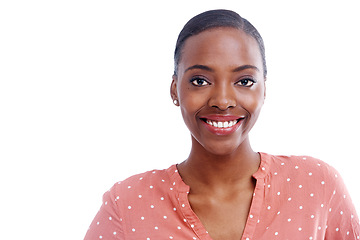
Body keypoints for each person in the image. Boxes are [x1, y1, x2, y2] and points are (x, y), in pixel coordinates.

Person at [84, 9, 359, 240]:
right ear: (174, 90)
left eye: (244, 81)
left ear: (264, 90)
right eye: (200, 81)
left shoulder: (317, 184)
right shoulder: (127, 203)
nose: (223, 100)